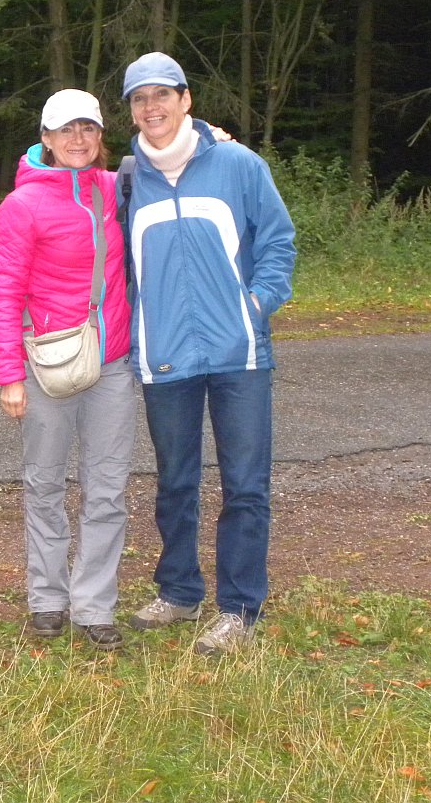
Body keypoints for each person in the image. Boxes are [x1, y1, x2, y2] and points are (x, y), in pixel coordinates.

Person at [119, 52, 296, 656]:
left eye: (162, 95)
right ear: (132, 111)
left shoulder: (239, 164)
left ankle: (239, 609)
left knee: (245, 485)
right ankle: (179, 591)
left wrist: (256, 305)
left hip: (239, 354)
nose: (152, 107)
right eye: (140, 99)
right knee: (175, 481)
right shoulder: (124, 182)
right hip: (165, 354)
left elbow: (278, 240)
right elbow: (57, 172)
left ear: (186, 99)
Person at [0, 88, 137, 652]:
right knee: (45, 484)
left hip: (111, 362)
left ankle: (94, 605)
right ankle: (47, 598)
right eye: (66, 129)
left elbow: (175, 160)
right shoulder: (21, 206)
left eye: (88, 128)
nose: (79, 138)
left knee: (107, 490)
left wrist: (210, 137)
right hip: (47, 364)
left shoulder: (117, 189)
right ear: (46, 139)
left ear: (100, 135)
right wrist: (9, 374)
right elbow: (5, 292)